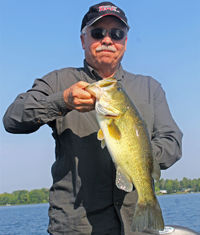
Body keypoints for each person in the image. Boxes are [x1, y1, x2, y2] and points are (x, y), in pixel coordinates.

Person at [3, 2, 183, 235]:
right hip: (77, 227)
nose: (107, 40)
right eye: (98, 33)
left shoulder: (151, 88)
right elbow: (12, 119)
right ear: (82, 40)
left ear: (125, 43)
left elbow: (172, 142)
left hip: (137, 228)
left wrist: (139, 156)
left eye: (117, 34)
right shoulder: (59, 81)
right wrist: (63, 101)